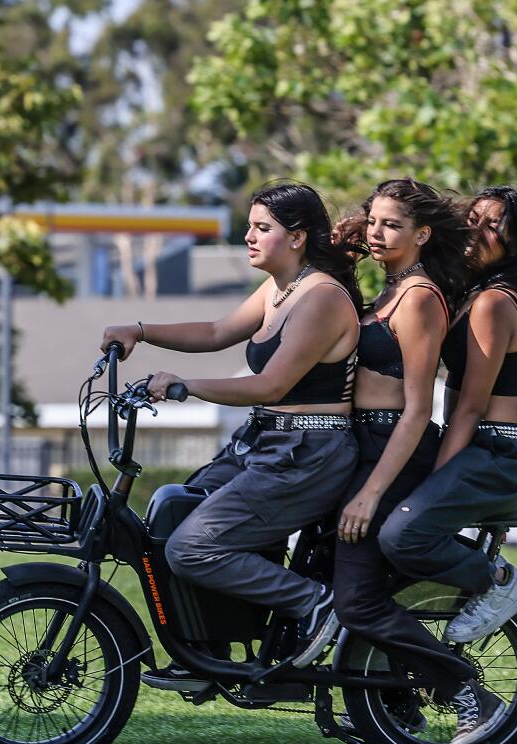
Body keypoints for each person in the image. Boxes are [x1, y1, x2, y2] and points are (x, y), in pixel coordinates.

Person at [100, 182, 364, 690]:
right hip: (266, 442)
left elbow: (271, 384)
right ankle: (205, 652)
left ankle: (315, 603)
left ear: (298, 237)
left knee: (192, 548)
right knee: (169, 512)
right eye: (250, 226)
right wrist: (140, 329)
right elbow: (217, 332)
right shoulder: (279, 289)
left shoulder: (322, 297)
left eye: (262, 228)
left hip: (309, 454)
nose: (248, 236)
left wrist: (183, 385)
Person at [373, 185, 517, 744]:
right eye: (476, 220)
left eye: (496, 228)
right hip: (480, 445)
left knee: (402, 533)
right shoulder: (472, 294)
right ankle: (391, 689)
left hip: (499, 450)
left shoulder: (494, 303)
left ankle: (498, 581)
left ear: (513, 245)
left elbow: (467, 403)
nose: (480, 232)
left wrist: (438, 472)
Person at [328, 178, 484, 738]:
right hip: (361, 447)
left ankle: (464, 688)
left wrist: (371, 494)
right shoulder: (388, 291)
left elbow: (418, 410)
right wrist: (345, 240)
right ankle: (393, 706)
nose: (377, 232)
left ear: (422, 234)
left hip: (394, 449)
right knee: (337, 580)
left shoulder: (419, 299)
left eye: (392, 224)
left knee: (357, 601)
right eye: (373, 220)